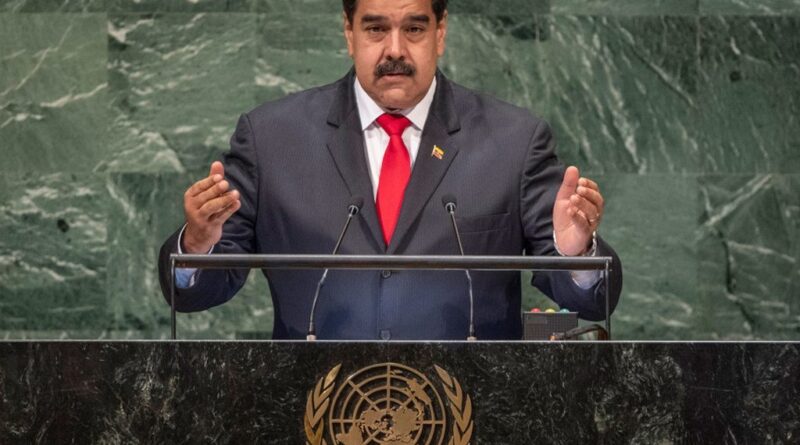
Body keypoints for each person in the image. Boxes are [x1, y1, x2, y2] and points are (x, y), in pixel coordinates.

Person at [158, 0, 622, 340]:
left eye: (415, 29)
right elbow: (195, 293)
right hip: (312, 411)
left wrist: (576, 255)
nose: (394, 50)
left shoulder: (513, 141)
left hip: (474, 413)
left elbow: (589, 300)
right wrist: (198, 244)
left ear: (441, 32)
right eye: (376, 29)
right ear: (348, 31)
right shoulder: (272, 138)